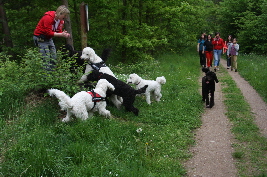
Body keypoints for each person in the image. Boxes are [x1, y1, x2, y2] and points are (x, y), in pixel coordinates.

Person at [33, 5, 70, 71]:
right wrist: (61, 34)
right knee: (46, 58)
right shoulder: (48, 18)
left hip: (49, 38)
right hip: (40, 38)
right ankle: (46, 77)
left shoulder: (61, 21)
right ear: (60, 13)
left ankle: (52, 74)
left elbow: (58, 31)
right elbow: (48, 32)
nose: (65, 17)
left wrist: (64, 34)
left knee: (53, 57)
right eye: (64, 15)